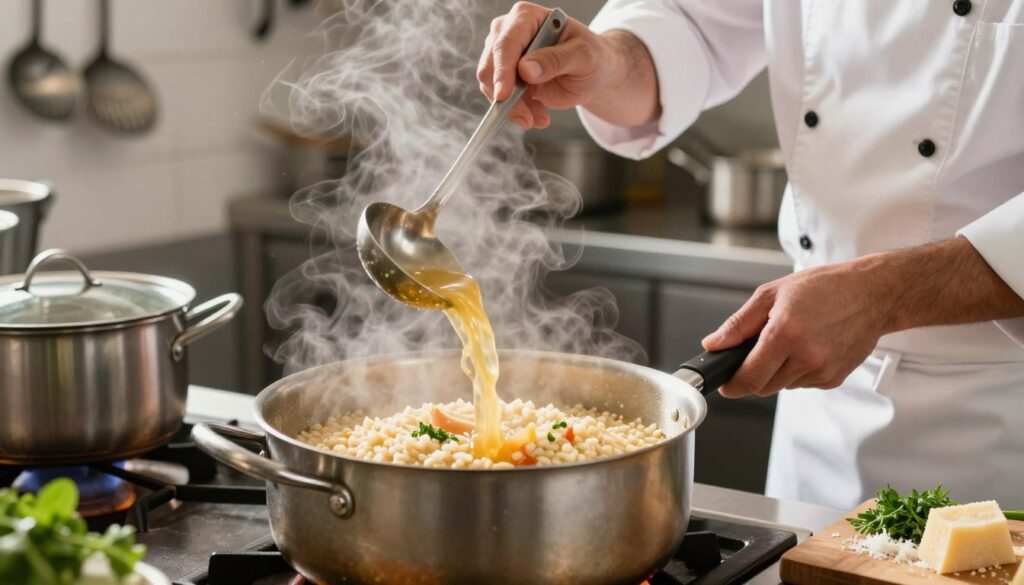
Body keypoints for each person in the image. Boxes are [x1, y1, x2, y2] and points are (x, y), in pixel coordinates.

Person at [477, 1, 1024, 510]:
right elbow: (693, 23)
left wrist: (884, 294)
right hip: (817, 408)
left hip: (1000, 415)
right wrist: (610, 61)